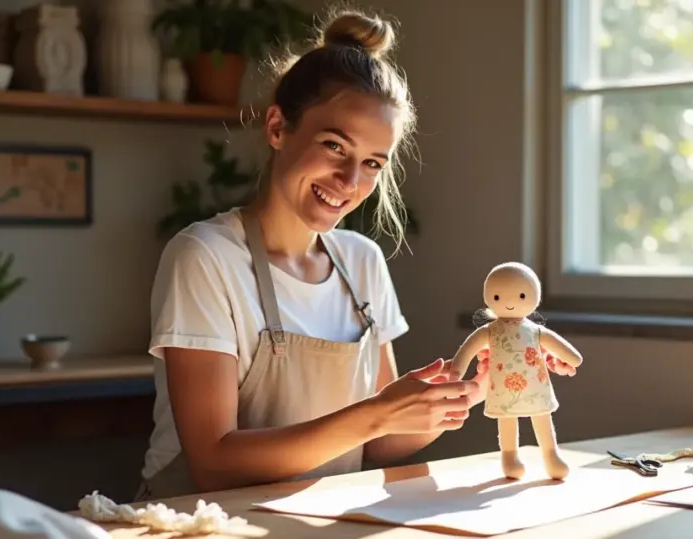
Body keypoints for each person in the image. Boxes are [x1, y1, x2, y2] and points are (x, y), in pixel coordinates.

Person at [134, 8, 492, 501]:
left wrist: (463, 394)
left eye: (371, 164)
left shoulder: (362, 263)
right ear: (278, 127)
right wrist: (379, 412)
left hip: (320, 518)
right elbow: (213, 465)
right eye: (333, 146)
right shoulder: (205, 257)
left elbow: (381, 443)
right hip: (198, 523)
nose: (350, 182)